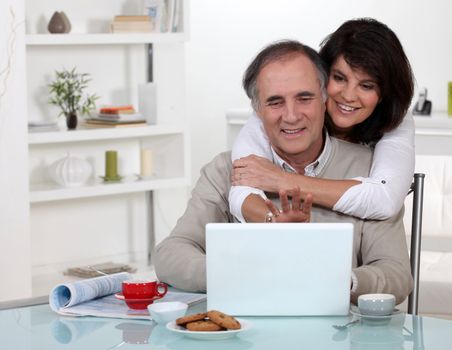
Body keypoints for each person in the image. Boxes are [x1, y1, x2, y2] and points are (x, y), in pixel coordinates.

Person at [154, 40, 413, 304]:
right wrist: (240, 273)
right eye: (275, 102)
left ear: (325, 99)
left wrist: (340, 280)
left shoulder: (370, 172)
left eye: (304, 98)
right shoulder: (224, 170)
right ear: (258, 110)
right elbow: (170, 254)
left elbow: (397, 274)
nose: (291, 116)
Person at [229, 18, 415, 222]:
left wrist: (282, 180)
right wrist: (275, 222)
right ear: (322, 77)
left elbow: (385, 200)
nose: (349, 96)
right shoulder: (282, 110)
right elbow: (244, 181)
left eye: (367, 86)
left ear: (384, 94)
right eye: (339, 78)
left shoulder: (396, 118)